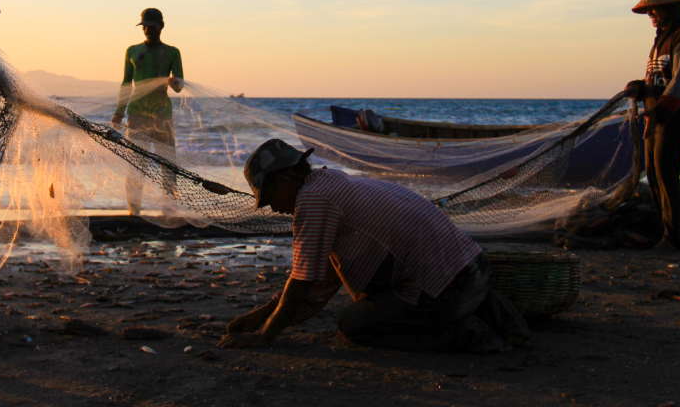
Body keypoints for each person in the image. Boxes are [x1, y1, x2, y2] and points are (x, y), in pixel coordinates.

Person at [219, 139, 529, 353]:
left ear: (285, 180)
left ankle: (469, 335)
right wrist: (263, 314)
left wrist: (266, 335)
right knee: (421, 277)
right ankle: (508, 323)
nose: (274, 209)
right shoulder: (334, 182)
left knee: (355, 324)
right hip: (477, 270)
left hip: (447, 291)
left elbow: (301, 281)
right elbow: (322, 280)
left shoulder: (312, 201)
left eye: (271, 199)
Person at [624, 0, 680, 252]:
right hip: (654, 119)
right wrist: (639, 88)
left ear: (670, 8)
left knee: (667, 176)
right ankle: (663, 233)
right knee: (654, 175)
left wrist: (659, 111)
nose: (651, 15)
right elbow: (655, 80)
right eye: (649, 12)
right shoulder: (659, 43)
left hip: (672, 119)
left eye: (655, 10)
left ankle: (672, 237)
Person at [111, 8, 184, 215]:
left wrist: (174, 82)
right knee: (136, 166)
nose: (148, 30)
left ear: (161, 26)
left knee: (168, 167)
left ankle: (168, 212)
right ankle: (133, 213)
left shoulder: (172, 52)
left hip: (163, 116)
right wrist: (119, 112)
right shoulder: (132, 51)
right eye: (145, 26)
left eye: (152, 26)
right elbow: (126, 84)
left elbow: (179, 86)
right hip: (136, 116)